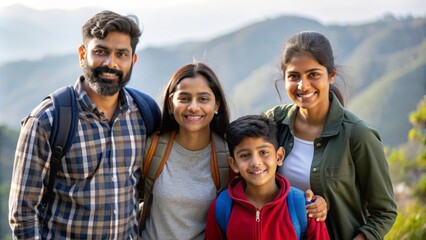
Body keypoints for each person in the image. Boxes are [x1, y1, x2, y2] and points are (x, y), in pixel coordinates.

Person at [9, 10, 159, 239]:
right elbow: (23, 214)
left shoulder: (145, 114)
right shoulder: (48, 121)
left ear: (133, 60)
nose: (111, 63)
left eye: (121, 54)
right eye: (101, 51)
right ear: (82, 53)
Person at [265, 31, 397, 239]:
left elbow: (384, 212)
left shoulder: (358, 135)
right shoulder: (273, 123)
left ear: (331, 75)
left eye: (313, 74)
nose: (303, 85)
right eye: (294, 76)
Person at [141, 62, 231, 239]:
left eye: (203, 99)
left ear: (217, 105)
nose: (193, 107)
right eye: (184, 98)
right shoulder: (152, 148)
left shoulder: (229, 158)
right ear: (170, 103)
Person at [205, 114, 330, 239]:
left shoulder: (304, 207)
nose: (255, 162)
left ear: (279, 156)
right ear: (234, 164)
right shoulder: (222, 207)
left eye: (263, 152)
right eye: (244, 155)